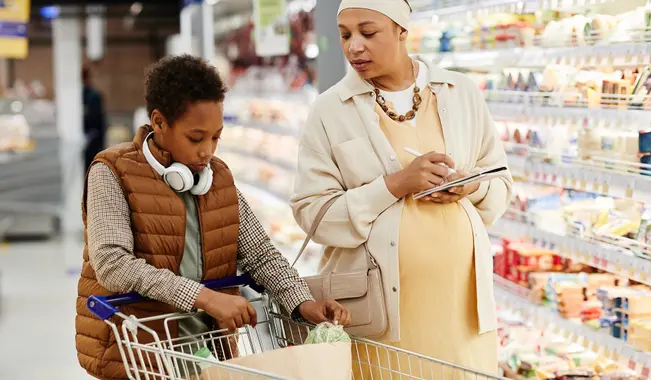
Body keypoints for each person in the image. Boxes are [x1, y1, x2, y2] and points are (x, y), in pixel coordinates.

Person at [75, 55, 351, 380]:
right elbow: (112, 263)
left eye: (216, 137)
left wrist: (302, 302)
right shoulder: (112, 172)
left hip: (209, 354)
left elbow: (260, 255)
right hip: (137, 356)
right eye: (196, 138)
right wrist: (205, 298)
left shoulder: (216, 177)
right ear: (159, 122)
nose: (208, 151)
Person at [290, 0, 513, 378]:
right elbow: (313, 214)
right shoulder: (330, 110)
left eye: (368, 32)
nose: (354, 46)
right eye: (345, 35)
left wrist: (469, 186)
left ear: (402, 31)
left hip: (463, 313)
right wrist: (394, 185)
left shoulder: (460, 93)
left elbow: (501, 183)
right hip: (380, 318)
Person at [82, 67, 107, 173]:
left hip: (91, 140)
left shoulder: (93, 97)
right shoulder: (91, 95)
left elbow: (98, 120)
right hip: (91, 139)